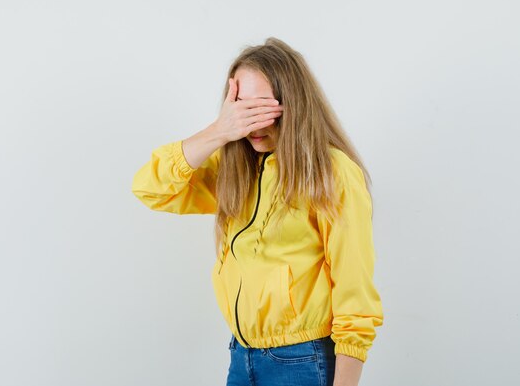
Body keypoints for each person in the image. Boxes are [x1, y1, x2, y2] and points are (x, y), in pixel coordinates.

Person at [131, 37, 383, 386]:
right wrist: (219, 131)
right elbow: (150, 188)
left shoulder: (332, 172)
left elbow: (354, 292)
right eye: (240, 108)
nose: (251, 122)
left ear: (292, 103)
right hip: (241, 357)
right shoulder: (235, 170)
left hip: (303, 360)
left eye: (262, 107)